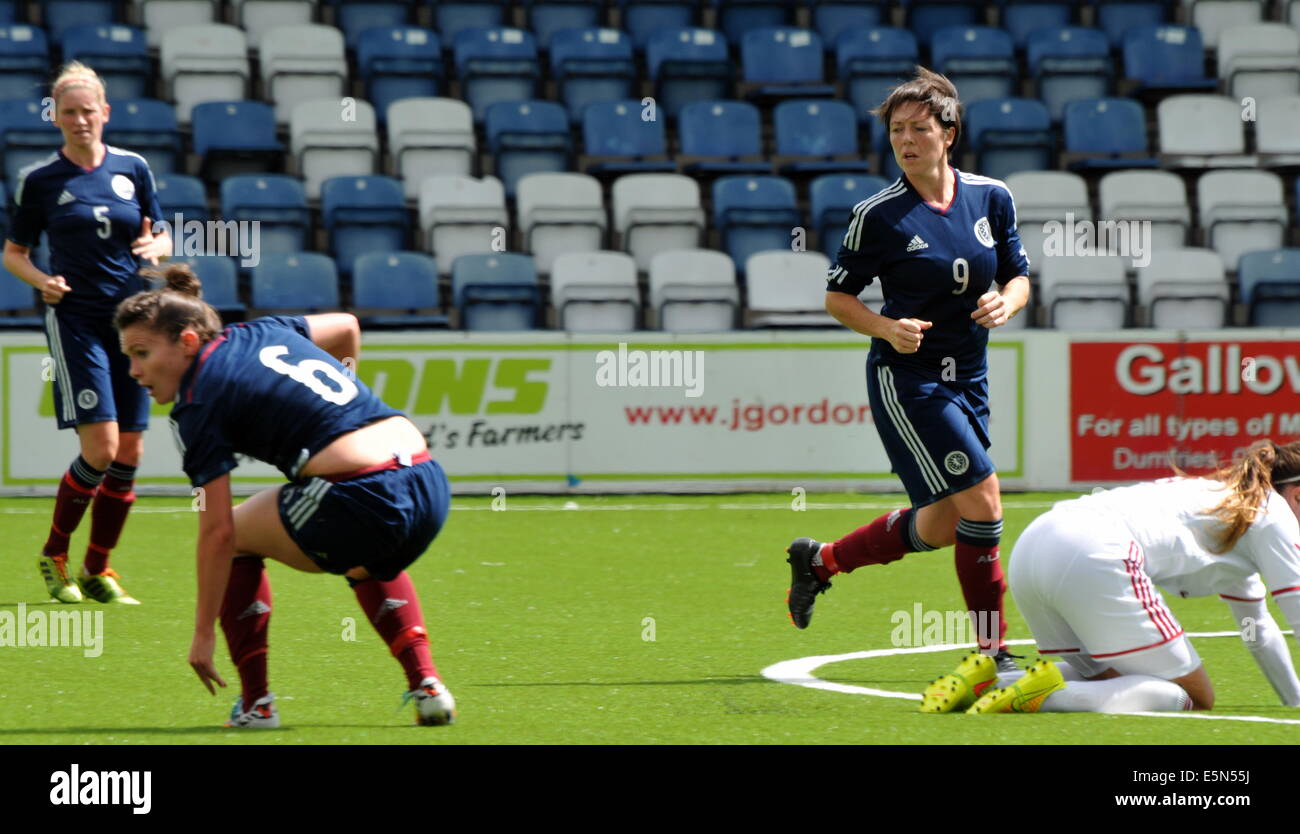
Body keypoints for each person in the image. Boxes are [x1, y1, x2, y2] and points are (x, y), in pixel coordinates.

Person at [113, 264, 456, 727]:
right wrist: (349, 399)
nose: (133, 371)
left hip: (363, 494)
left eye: (141, 353)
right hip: (428, 480)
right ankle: (427, 686)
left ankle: (257, 704)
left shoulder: (196, 404)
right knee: (366, 557)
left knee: (237, 538)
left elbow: (216, 533)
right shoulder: (263, 328)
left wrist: (201, 635)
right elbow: (347, 326)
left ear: (188, 341)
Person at [785, 67, 1030, 671]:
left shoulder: (991, 196)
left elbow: (1020, 275)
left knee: (946, 525)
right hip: (910, 380)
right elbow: (837, 298)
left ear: (949, 133)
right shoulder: (879, 215)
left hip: (969, 377)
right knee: (985, 502)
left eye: (920, 127)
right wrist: (886, 328)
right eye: (897, 130)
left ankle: (821, 561)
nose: (906, 139)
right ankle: (994, 653)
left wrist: (1009, 300)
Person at [922, 440, 1300, 715]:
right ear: (1296, 494)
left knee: (1108, 677)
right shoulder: (1274, 516)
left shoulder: (1234, 509)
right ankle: (1046, 697)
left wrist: (1293, 702)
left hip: (1036, 543)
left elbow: (1258, 629)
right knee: (1192, 697)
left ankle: (989, 683)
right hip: (1093, 552)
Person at [4, 61, 172, 604]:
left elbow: (160, 229)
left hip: (134, 324)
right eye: (69, 111)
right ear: (56, 117)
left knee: (130, 454)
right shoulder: (40, 180)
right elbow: (14, 253)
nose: (80, 119)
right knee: (100, 447)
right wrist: (41, 281)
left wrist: (158, 248)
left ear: (106, 112)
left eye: (88, 110)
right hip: (76, 320)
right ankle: (55, 554)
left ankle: (99, 569)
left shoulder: (134, 168)